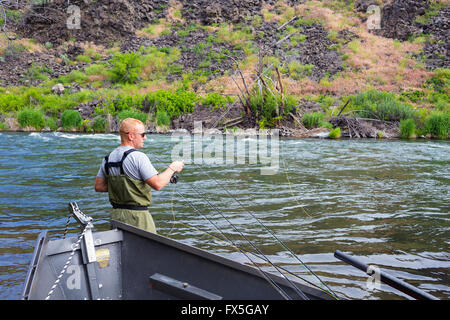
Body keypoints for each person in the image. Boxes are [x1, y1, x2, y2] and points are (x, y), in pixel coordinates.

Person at [94, 118, 184, 233]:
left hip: (116, 217)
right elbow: (158, 184)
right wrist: (173, 168)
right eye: (142, 134)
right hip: (138, 219)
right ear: (131, 136)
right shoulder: (138, 156)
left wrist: (124, 188)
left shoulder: (108, 158)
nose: (145, 138)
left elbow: (99, 186)